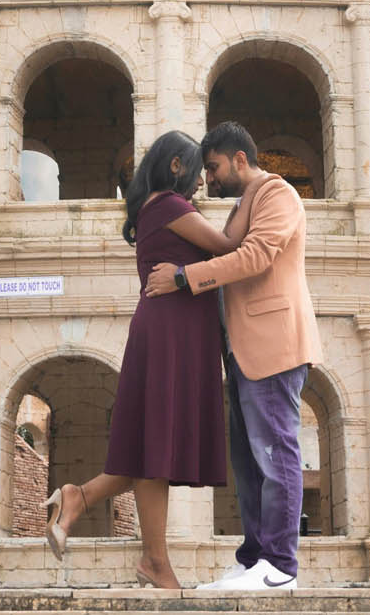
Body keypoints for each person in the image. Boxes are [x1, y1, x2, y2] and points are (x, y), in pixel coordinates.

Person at [43, 130, 237, 589]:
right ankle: (152, 558)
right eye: (198, 171)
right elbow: (230, 249)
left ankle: (81, 500)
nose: (202, 182)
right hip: (171, 333)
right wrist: (255, 202)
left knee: (155, 447)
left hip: (171, 331)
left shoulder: (156, 207)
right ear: (176, 166)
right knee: (157, 448)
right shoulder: (169, 205)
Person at [143, 121, 322, 591]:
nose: (210, 178)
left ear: (240, 159)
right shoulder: (245, 204)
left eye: (214, 167)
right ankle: (254, 558)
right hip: (246, 350)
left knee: (275, 453)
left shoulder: (277, 194)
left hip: (273, 344)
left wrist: (183, 277)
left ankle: (279, 566)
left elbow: (256, 256)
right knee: (249, 462)